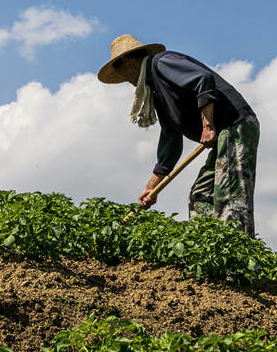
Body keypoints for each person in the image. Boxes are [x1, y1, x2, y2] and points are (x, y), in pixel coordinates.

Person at [97, 34, 260, 237]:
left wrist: (207, 124)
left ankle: (240, 259)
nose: (125, 80)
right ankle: (209, 254)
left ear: (127, 61)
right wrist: (152, 186)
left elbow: (203, 79)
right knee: (201, 196)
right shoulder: (156, 89)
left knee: (230, 195)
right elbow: (170, 136)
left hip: (235, 126)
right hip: (221, 137)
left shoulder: (162, 63)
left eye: (120, 71)